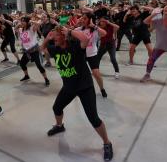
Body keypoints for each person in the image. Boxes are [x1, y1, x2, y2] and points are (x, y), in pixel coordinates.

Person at [42, 26, 113, 161]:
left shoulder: (75, 46)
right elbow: (42, 49)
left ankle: (107, 143)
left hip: (84, 87)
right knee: (56, 108)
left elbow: (85, 39)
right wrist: (47, 39)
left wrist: (69, 31)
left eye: (56, 36)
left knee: (93, 118)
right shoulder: (55, 48)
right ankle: (59, 126)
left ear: (64, 36)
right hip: (69, 87)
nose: (53, 38)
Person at [76, 13, 108, 97]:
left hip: (92, 54)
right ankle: (78, 89)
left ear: (90, 20)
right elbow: (70, 32)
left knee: (96, 74)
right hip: (81, 54)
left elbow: (104, 33)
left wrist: (94, 26)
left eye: (85, 18)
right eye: (82, 18)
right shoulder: (79, 29)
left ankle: (102, 89)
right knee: (78, 73)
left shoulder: (95, 30)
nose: (82, 20)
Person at [16, 16, 50, 86]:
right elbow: (16, 28)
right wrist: (18, 24)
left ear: (27, 22)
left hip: (34, 50)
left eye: (23, 21)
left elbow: (38, 24)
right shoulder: (21, 30)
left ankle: (46, 79)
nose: (22, 22)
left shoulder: (31, 29)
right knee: (22, 63)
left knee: (39, 65)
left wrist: (31, 21)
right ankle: (27, 75)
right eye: (21, 21)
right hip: (27, 51)